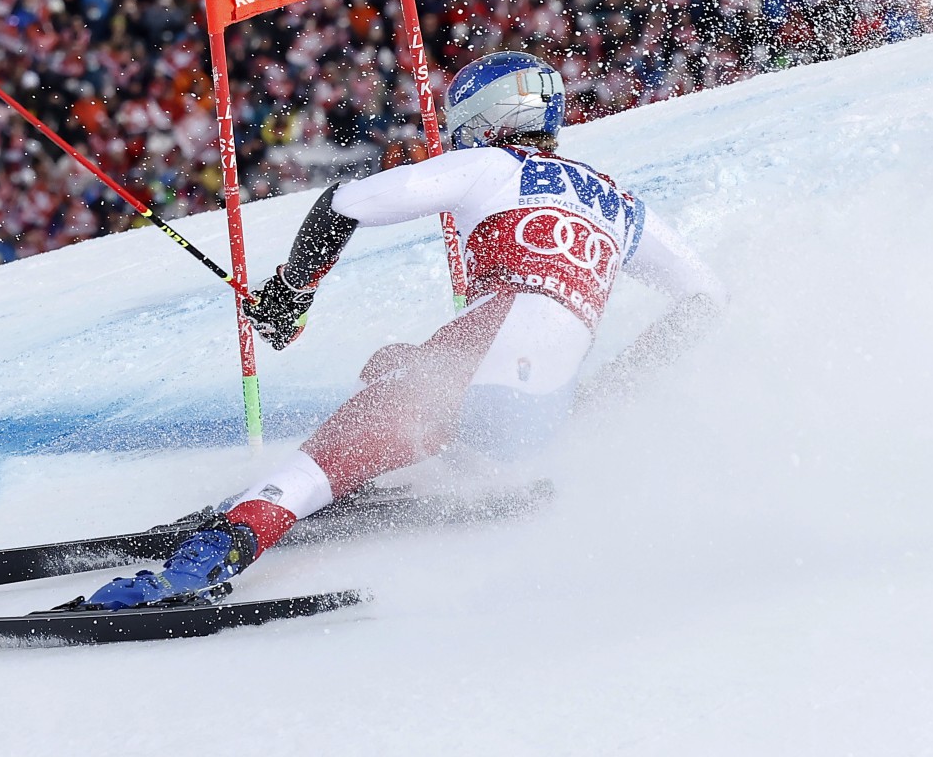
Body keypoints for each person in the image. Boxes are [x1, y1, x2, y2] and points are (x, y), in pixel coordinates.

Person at [83, 52, 727, 608]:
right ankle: (427, 470)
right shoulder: (623, 206)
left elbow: (347, 201)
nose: (452, 138)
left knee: (352, 432)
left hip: (485, 355)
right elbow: (705, 299)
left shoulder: (493, 167)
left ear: (485, 119)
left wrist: (290, 295)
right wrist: (606, 393)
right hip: (538, 419)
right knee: (402, 367)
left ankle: (216, 553)